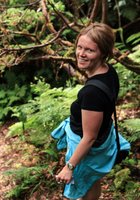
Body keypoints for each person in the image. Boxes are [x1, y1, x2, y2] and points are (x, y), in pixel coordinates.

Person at [51, 22, 130, 199]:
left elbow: (89, 137)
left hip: (88, 148)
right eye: (79, 47)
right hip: (103, 136)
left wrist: (69, 167)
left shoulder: (92, 93)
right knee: (92, 181)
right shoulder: (109, 72)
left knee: (83, 187)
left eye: (89, 50)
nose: (81, 54)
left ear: (103, 52)